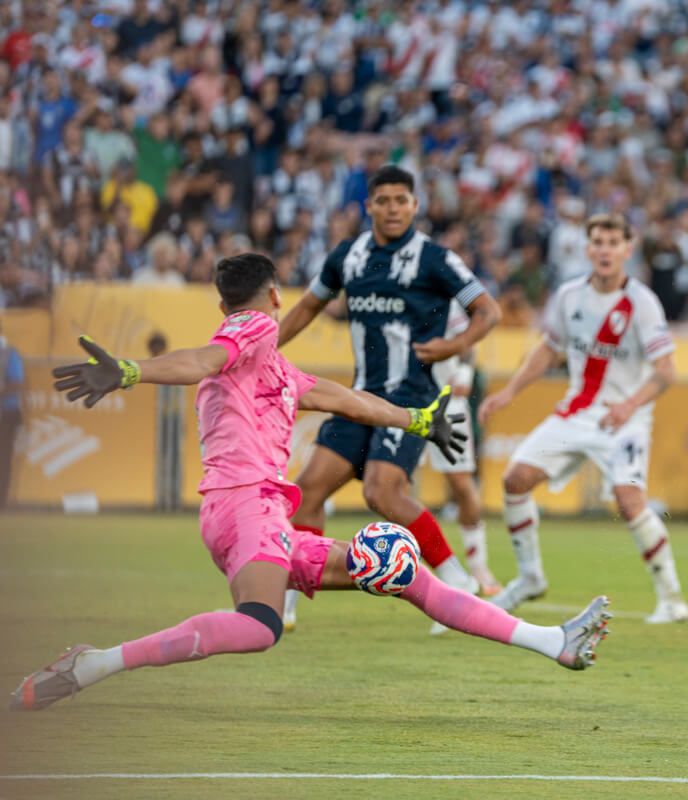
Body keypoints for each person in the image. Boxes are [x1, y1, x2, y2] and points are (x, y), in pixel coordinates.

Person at [11, 254, 609, 712]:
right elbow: (203, 361)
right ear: (274, 294)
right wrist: (133, 371)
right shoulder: (253, 330)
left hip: (259, 516)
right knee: (259, 626)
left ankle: (552, 639)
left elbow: (347, 400)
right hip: (245, 508)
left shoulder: (274, 368)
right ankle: (92, 666)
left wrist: (418, 420)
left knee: (399, 570)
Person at [277, 166, 501, 633]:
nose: (393, 208)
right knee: (307, 491)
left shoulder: (435, 258)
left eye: (402, 200)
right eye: (384, 200)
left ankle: (457, 579)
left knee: (382, 492)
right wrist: (260, 348)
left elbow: (488, 310)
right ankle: (289, 597)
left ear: (415, 206)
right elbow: (307, 306)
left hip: (413, 398)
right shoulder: (349, 255)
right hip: (359, 397)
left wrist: (453, 347)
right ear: (369, 206)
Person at [479, 213, 688, 624]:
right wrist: (508, 392)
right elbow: (547, 350)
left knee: (630, 502)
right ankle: (529, 578)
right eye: (598, 242)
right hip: (575, 414)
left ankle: (671, 598)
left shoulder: (642, 303)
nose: (605, 250)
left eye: (614, 242)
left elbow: (666, 371)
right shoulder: (568, 295)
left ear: (627, 250)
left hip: (624, 420)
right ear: (587, 248)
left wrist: (629, 406)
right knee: (515, 479)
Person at [426, 300, 502, 609]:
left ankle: (478, 568)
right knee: (389, 485)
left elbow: (468, 342)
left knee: (461, 484)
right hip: (402, 398)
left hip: (445, 401)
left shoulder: (441, 294)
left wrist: (464, 377)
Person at [0, 321, 23, 509]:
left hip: (5, 414)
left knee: (3, 458)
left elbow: (16, 382)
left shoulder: (8, 353)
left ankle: (1, 501)